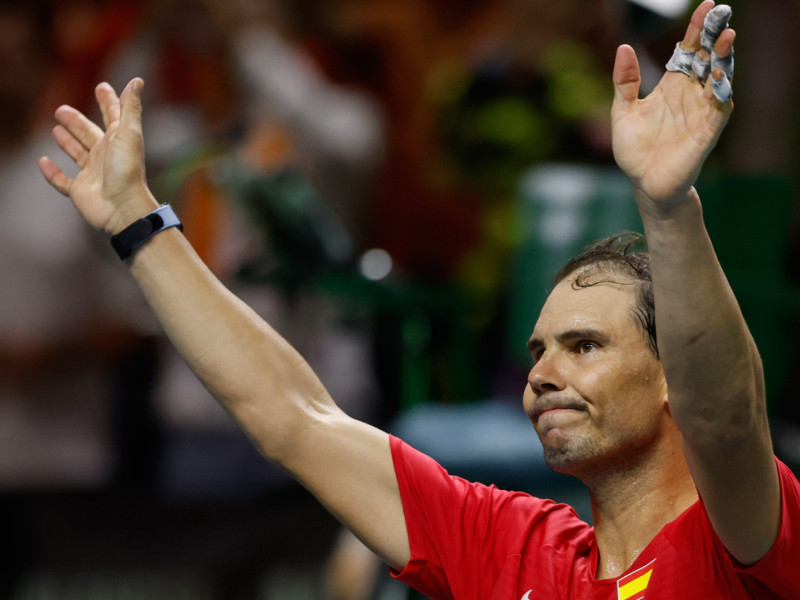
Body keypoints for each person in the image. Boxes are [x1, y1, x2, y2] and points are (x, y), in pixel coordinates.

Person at [38, 1, 800, 598]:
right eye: (537, 351)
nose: (541, 374)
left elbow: (727, 420)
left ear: (671, 376)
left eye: (584, 345)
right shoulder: (506, 545)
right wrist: (141, 226)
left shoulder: (740, 541)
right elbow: (294, 419)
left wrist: (667, 208)